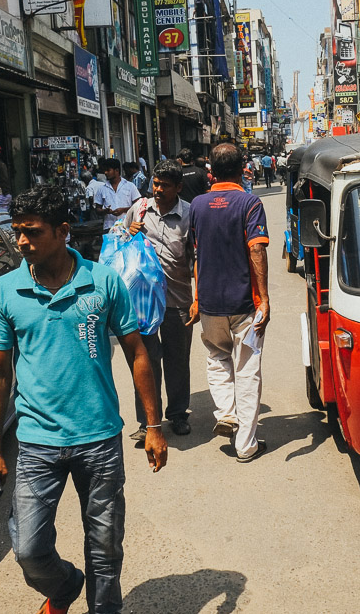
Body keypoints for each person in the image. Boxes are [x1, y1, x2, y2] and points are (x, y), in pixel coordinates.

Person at [0, 185, 168, 614]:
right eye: (17, 232)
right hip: (37, 442)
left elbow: (138, 353)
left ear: (63, 231)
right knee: (29, 548)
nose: (21, 242)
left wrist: (154, 426)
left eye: (32, 232)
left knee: (104, 550)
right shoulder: (6, 291)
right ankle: (64, 588)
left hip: (99, 438)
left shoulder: (102, 281)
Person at [189, 142, 271, 463]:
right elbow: (256, 250)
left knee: (216, 358)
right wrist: (264, 297)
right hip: (244, 304)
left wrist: (196, 297)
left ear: (211, 171)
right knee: (247, 369)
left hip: (209, 302)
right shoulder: (249, 203)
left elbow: (195, 254)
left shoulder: (196, 205)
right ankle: (246, 444)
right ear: (242, 169)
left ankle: (226, 413)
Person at [116, 160, 196, 441]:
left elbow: (196, 258)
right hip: (142, 304)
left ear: (178, 187)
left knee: (178, 360)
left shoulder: (189, 214)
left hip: (179, 300)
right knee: (145, 362)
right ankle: (147, 421)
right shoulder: (137, 209)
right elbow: (117, 243)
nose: (158, 189)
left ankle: (177, 414)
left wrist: (197, 298)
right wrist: (128, 234)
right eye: (156, 183)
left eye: (164, 185)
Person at [95, 159, 141, 231]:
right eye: (104, 170)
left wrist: (123, 210)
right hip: (109, 228)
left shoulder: (130, 186)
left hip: (127, 226)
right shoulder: (102, 189)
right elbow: (97, 209)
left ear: (116, 170)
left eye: (108, 170)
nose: (105, 173)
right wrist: (105, 211)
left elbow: (139, 205)